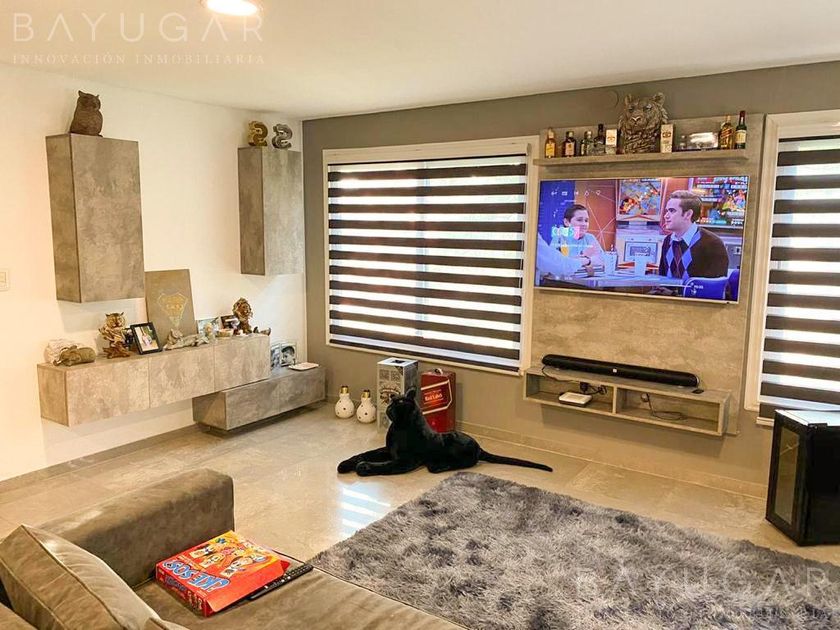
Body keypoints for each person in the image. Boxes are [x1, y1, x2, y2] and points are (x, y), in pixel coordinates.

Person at [658, 191, 729, 280]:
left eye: (672, 211)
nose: (666, 216)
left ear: (688, 214)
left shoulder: (712, 243)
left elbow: (716, 285)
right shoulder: (668, 241)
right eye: (667, 211)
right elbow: (662, 278)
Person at [549, 204, 604, 270]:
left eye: (586, 220)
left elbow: (603, 260)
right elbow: (552, 263)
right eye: (579, 220)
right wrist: (588, 260)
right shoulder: (559, 238)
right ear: (566, 222)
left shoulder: (590, 238)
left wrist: (584, 260)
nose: (584, 224)